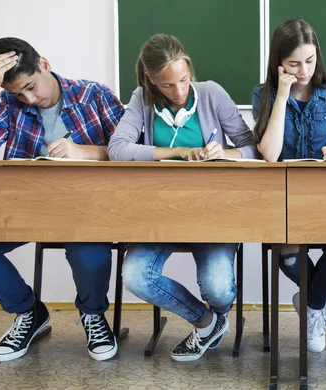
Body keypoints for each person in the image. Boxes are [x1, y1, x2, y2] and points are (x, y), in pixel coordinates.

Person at [108, 33, 257, 361]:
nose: (178, 92)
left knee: (218, 287)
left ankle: (216, 312)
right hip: (161, 213)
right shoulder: (142, 99)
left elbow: (253, 147)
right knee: (134, 275)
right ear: (151, 81)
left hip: (211, 211)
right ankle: (207, 323)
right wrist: (176, 152)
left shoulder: (211, 93)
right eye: (167, 86)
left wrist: (228, 155)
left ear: (190, 70)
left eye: (184, 80)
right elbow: (117, 149)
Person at [0, 37, 124, 362]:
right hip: (27, 210)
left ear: (45, 64)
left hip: (88, 212)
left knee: (87, 252)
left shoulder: (95, 96)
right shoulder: (9, 104)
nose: (30, 99)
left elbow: (138, 152)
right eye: (19, 93)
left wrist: (85, 153)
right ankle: (29, 312)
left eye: (32, 87)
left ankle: (92, 314)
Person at [252, 18, 326, 353]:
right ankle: (322, 302)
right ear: (278, 63)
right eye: (293, 63)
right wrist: (283, 94)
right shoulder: (264, 94)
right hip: (284, 199)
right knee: (287, 250)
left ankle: (312, 305)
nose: (303, 71)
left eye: (310, 61)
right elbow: (269, 154)